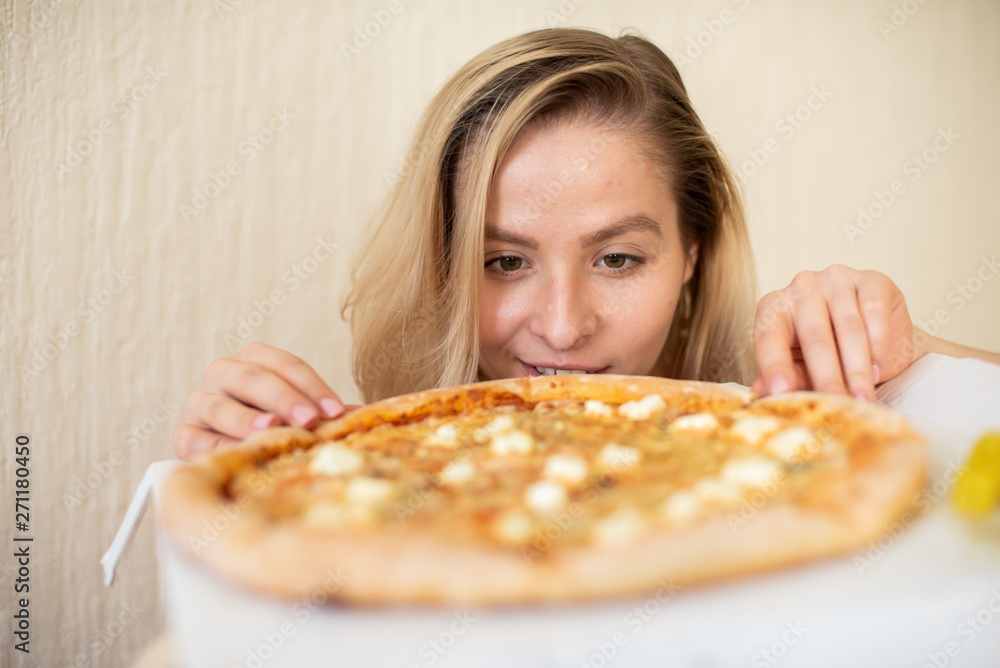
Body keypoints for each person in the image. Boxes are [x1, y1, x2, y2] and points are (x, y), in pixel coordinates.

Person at [172, 27, 998, 459]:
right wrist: (246, 483)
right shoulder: (375, 478)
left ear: (693, 255)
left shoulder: (813, 438)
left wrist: (923, 363)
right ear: (443, 263)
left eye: (617, 258)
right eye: (505, 261)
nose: (564, 329)